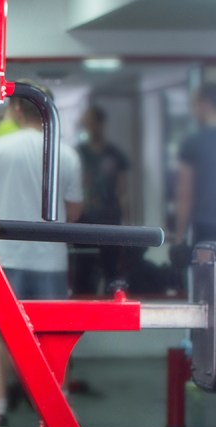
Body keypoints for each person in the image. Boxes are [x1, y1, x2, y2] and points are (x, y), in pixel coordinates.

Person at [0, 81, 83, 427]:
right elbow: (75, 211)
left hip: (4, 259)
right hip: (51, 260)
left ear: (17, 110)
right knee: (49, 333)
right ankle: (50, 409)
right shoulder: (67, 153)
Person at [74, 106, 130, 294]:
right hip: (84, 220)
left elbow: (123, 191)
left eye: (92, 122)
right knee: (83, 270)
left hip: (110, 220)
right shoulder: (78, 154)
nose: (90, 127)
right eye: (87, 123)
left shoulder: (114, 155)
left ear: (100, 124)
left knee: (111, 270)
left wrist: (127, 225)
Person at [173, 83, 216, 246]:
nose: (193, 111)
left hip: (206, 226)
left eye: (194, 105)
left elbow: (185, 194)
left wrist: (179, 235)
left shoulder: (193, 143)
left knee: (206, 271)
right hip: (205, 223)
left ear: (205, 104)